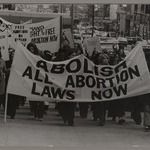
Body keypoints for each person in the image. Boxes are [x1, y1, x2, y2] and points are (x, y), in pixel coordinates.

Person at [26, 42, 44, 121]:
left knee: (40, 98)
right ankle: (34, 111)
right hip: (31, 79)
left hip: (39, 79)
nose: (31, 50)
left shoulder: (39, 57)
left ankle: (40, 114)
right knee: (32, 97)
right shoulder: (26, 56)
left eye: (32, 49)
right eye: (30, 49)